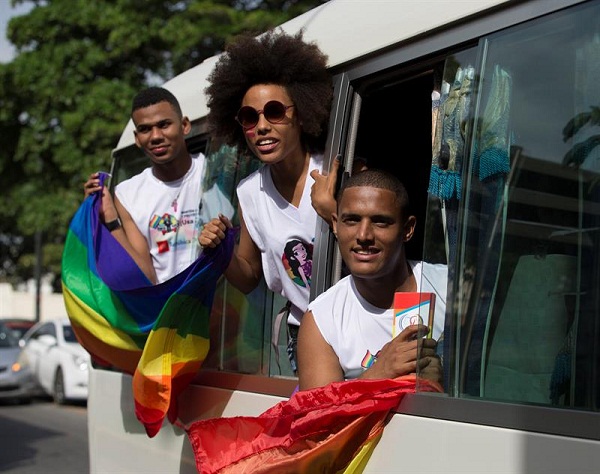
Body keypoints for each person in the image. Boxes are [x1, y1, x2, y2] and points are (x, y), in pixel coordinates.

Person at [199, 30, 338, 372]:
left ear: (301, 114)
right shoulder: (250, 193)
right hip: (302, 337)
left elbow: (382, 248)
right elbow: (247, 277)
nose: (261, 126)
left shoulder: (337, 168)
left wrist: (334, 213)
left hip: (357, 327)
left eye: (274, 112)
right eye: (250, 117)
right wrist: (220, 250)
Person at [297, 169, 447, 390]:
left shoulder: (448, 287)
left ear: (407, 229)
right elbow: (318, 419)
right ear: (336, 225)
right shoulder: (322, 319)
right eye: (352, 220)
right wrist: (379, 373)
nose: (364, 235)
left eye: (380, 222)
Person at [84, 87, 229, 284]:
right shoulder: (127, 195)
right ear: (137, 138)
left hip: (222, 305)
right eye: (145, 129)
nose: (155, 136)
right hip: (164, 309)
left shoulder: (216, 172)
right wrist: (108, 219)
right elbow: (146, 275)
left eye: (164, 125)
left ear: (184, 125)